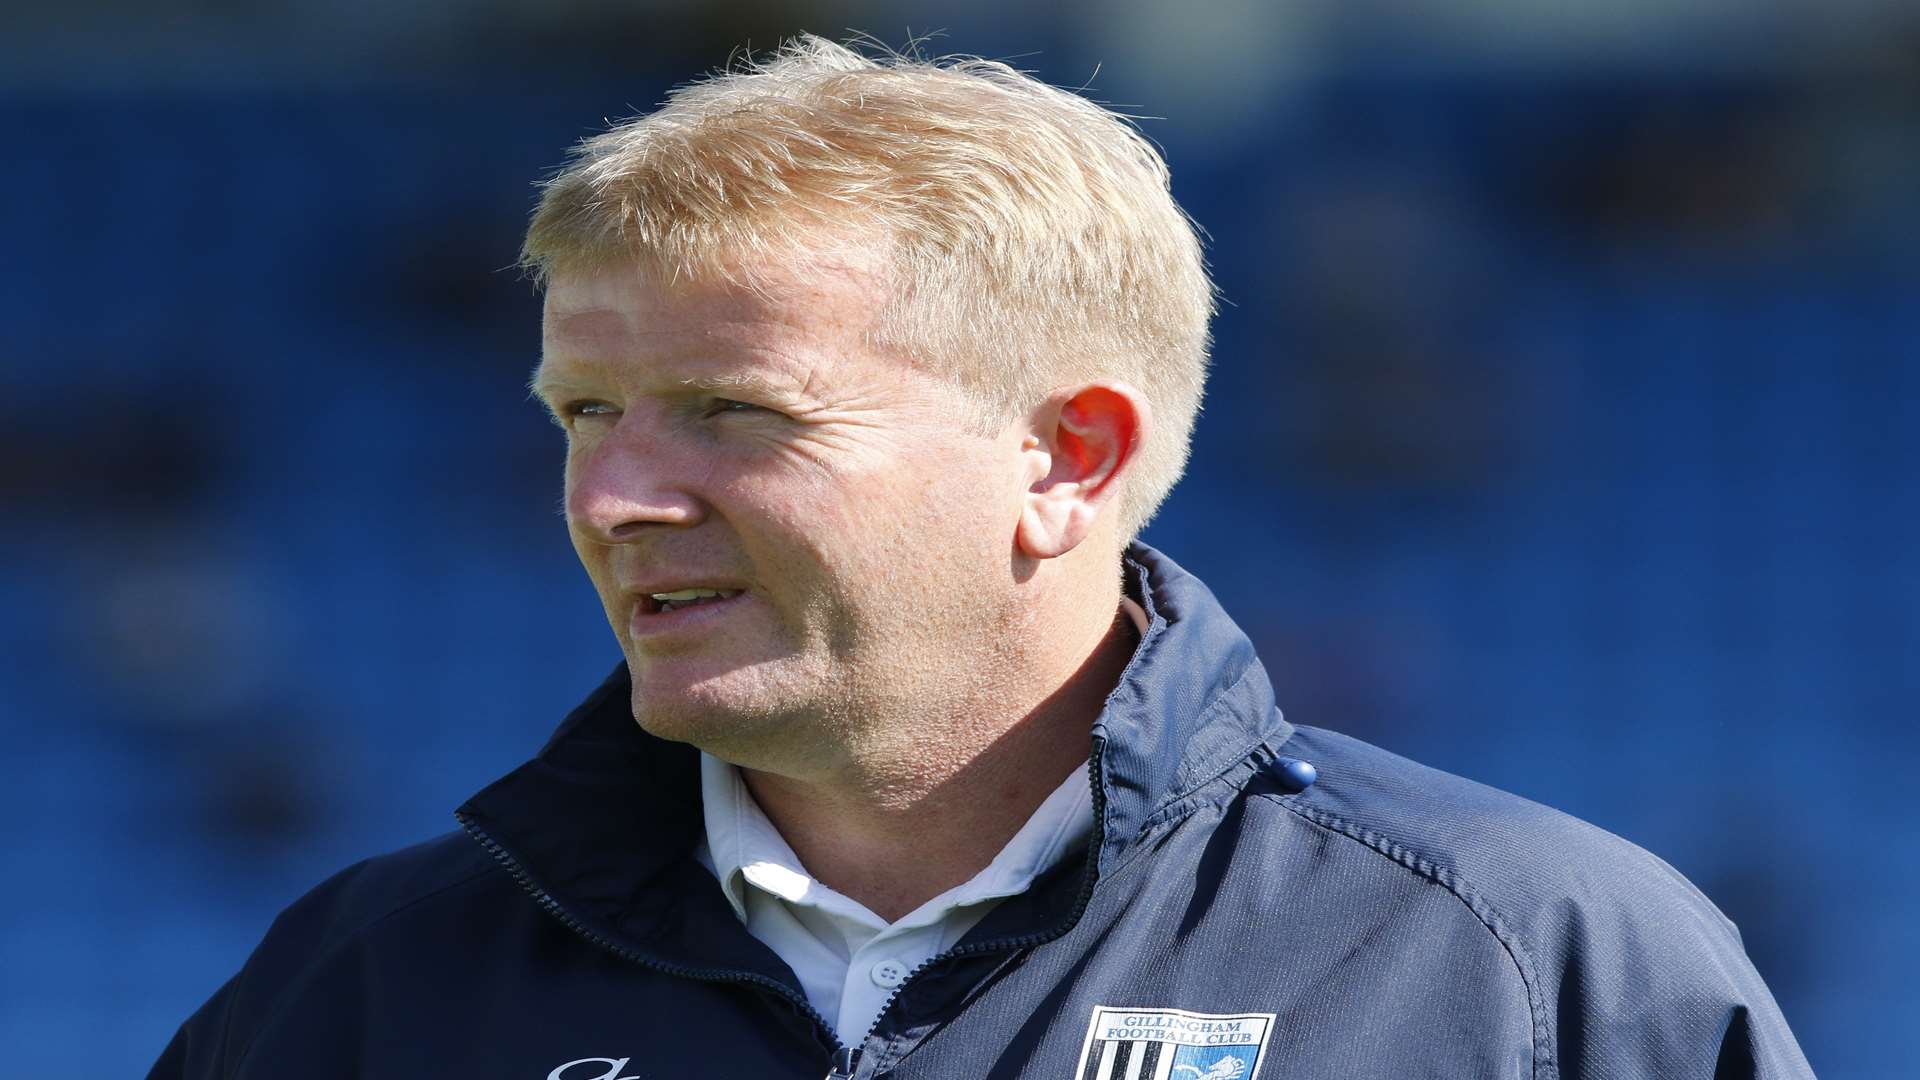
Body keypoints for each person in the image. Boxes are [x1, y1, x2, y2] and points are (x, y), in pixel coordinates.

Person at [151, 36, 1814, 1080]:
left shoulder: (1529, 969)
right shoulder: (356, 991)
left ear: (1065, 455)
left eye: (733, 412)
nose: (613, 497)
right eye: (586, 412)